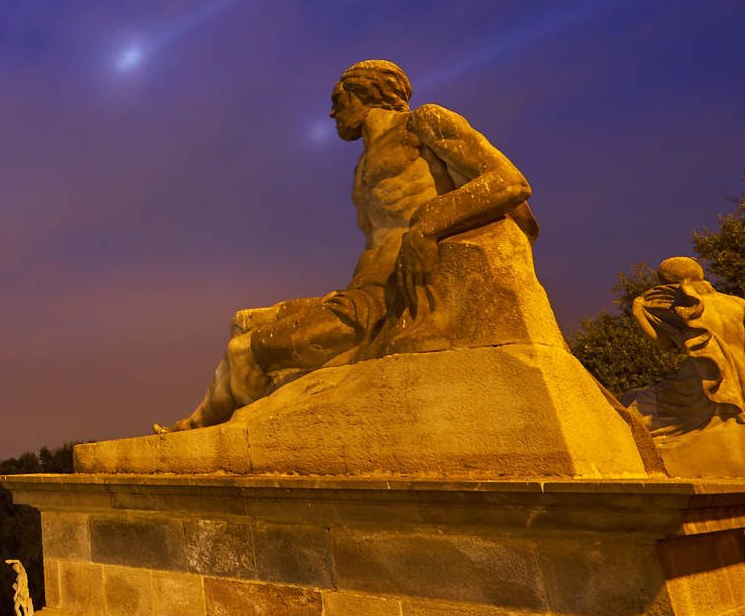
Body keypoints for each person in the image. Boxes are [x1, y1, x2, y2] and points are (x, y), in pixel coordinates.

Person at [161, 59, 539, 431]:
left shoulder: (424, 122)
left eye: (339, 101)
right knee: (243, 321)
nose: (331, 113)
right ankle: (216, 421)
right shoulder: (363, 165)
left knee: (243, 351)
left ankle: (230, 430)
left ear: (366, 93)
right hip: (357, 297)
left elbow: (509, 182)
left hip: (388, 300)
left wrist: (427, 227)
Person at [631, 256, 745, 430]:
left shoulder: (679, 306)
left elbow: (664, 345)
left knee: (637, 406)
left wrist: (638, 313)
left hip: (701, 383)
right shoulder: (737, 303)